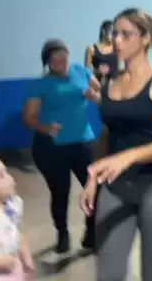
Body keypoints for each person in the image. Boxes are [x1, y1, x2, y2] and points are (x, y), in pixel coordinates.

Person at [79, 8, 152, 281]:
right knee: (108, 273)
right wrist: (93, 177)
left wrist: (128, 157)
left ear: (145, 38)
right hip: (116, 187)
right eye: (115, 34)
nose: (117, 41)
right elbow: (108, 134)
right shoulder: (109, 83)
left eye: (126, 34)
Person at [22, 39, 98, 253]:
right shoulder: (41, 85)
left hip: (83, 142)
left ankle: (91, 234)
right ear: (47, 63)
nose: (60, 63)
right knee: (60, 192)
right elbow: (28, 117)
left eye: (63, 58)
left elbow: (100, 94)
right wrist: (45, 127)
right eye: (54, 60)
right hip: (53, 147)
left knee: (95, 190)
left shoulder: (81, 71)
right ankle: (62, 233)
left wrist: (94, 95)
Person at [85, 20, 119, 85]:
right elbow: (86, 72)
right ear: (103, 31)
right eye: (111, 32)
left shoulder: (117, 49)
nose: (113, 35)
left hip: (115, 86)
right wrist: (97, 71)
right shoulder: (91, 49)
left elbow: (121, 68)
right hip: (98, 86)